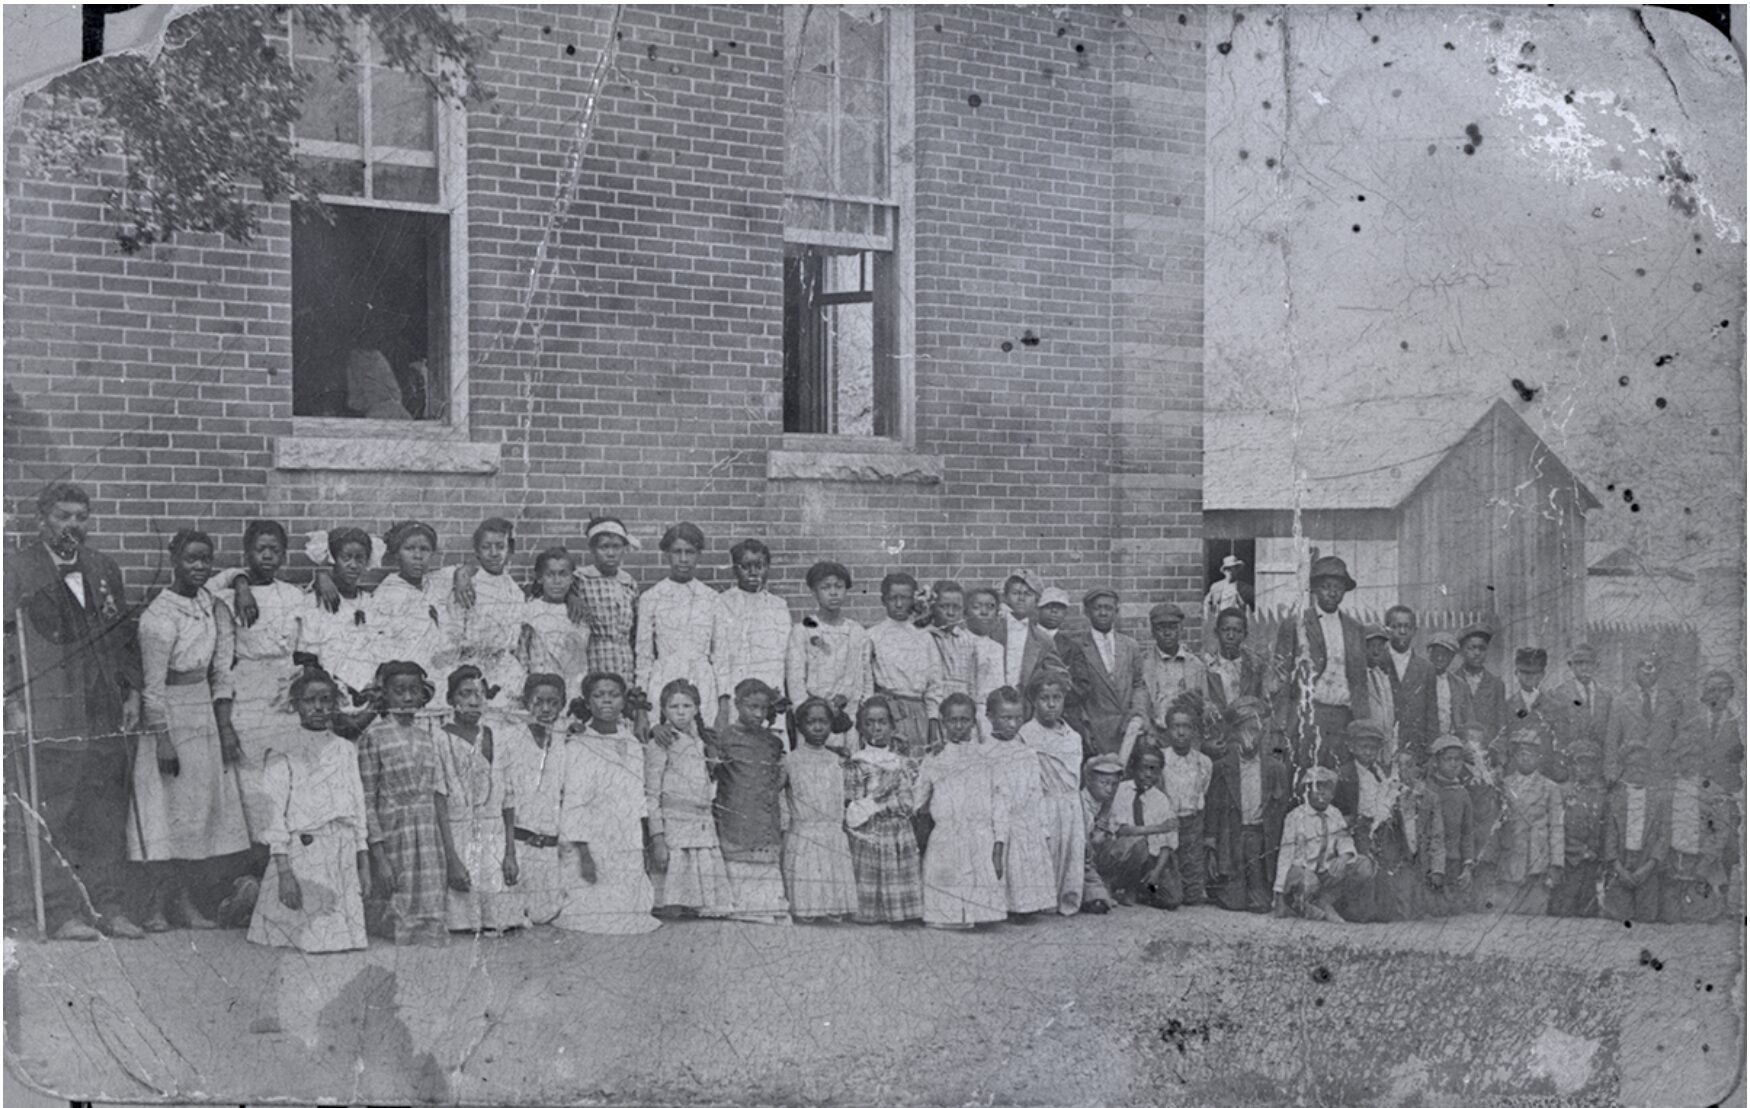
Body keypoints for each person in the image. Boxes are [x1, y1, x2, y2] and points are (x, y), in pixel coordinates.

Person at [4, 482, 146, 940]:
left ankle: (108, 906)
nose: (73, 526)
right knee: (57, 806)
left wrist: (131, 692)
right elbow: (5, 641)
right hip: (50, 705)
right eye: (63, 516)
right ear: (41, 519)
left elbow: (124, 636)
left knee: (104, 807)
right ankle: (63, 911)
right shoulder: (15, 569)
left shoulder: (104, 567)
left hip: (102, 704)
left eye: (80, 517)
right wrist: (12, 701)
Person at [128, 530, 253, 932]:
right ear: (174, 559)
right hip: (169, 717)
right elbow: (152, 687)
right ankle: (154, 906)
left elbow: (221, 673)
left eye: (206, 560)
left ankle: (185, 903)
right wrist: (162, 737)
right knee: (163, 812)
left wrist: (225, 727)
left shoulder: (214, 608)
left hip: (202, 716)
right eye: (191, 560)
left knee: (196, 813)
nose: (199, 568)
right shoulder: (158, 618)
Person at [246, 667, 370, 953]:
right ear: (295, 705)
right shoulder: (283, 749)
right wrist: (284, 871)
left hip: (340, 847)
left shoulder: (344, 748)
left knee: (342, 940)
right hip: (303, 849)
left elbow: (356, 803)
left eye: (326, 700)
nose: (318, 707)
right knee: (311, 937)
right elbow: (274, 810)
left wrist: (362, 858)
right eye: (310, 700)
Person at [207, 520, 308, 846]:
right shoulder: (226, 599)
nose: (267, 556)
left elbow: (304, 651)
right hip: (248, 696)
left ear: (284, 555)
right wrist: (240, 583)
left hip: (287, 694)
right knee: (252, 789)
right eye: (260, 549)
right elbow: (222, 663)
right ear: (247, 553)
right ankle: (255, 868)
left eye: (275, 550)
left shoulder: (293, 596)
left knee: (289, 784)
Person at [356, 660, 452, 945]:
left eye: (414, 691)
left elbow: (434, 792)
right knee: (397, 897)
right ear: (385, 694)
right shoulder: (374, 736)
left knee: (430, 901)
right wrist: (379, 854)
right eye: (399, 691)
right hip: (393, 830)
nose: (408, 698)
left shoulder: (426, 737)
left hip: (426, 830)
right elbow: (367, 798)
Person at [555, 672, 659, 934]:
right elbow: (575, 802)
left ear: (623, 701)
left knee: (631, 912)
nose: (606, 702)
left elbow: (637, 796)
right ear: (588, 703)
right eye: (599, 696)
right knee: (593, 912)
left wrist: (642, 840)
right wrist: (584, 854)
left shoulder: (631, 742)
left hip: (625, 835)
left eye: (613, 695)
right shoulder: (579, 743)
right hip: (593, 837)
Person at [914, 693, 1007, 929]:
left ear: (974, 722)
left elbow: (999, 803)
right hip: (946, 835)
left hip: (979, 834)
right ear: (943, 722)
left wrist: (999, 843)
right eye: (952, 720)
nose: (958, 726)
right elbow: (918, 800)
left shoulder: (987, 757)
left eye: (964, 720)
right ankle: (947, 916)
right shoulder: (935, 757)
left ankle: (981, 915)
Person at [435, 666, 517, 933]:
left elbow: (508, 800)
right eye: (465, 694)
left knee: (502, 924)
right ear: (451, 700)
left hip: (494, 838)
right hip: (460, 837)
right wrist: (452, 859)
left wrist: (510, 853)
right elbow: (439, 799)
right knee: (464, 926)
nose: (473, 701)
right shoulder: (440, 738)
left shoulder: (498, 737)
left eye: (479, 694)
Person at [645, 679, 734, 920]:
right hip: (674, 825)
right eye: (674, 707)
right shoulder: (660, 742)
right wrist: (658, 838)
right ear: (663, 710)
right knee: (672, 907)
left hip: (701, 822)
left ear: (696, 708)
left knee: (701, 908)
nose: (681, 712)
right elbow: (651, 794)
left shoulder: (703, 742)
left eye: (687, 706)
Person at [1272, 556, 1369, 769]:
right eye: (1326, 587)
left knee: (1339, 777)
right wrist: (1281, 726)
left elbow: (1360, 681)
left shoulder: (1355, 629)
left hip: (1343, 716)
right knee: (1304, 774)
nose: (1332, 593)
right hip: (1308, 715)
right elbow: (1282, 676)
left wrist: (1362, 723)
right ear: (1315, 589)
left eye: (1338, 587)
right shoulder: (1296, 624)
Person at [709, 678, 791, 925]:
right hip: (735, 810)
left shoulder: (773, 742)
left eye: (763, 709)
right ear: (737, 704)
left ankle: (766, 907)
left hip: (763, 812)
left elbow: (779, 776)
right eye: (751, 707)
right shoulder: (723, 737)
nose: (758, 714)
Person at [495, 673, 573, 928]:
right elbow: (504, 799)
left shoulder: (566, 741)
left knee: (547, 918)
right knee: (513, 921)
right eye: (538, 702)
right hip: (518, 848)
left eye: (553, 702)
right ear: (527, 703)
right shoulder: (510, 739)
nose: (546, 709)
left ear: (562, 704)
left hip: (551, 852)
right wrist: (508, 853)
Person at [1205, 697, 1290, 914]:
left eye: (1255, 730)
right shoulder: (1222, 768)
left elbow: (1280, 815)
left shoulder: (1275, 769)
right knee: (1233, 903)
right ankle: (1233, 885)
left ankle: (1258, 884)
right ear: (1234, 733)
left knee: (1260, 904)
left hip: (1259, 839)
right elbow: (1213, 809)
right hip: (1233, 838)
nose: (1250, 737)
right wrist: (1211, 846)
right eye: (1244, 730)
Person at [844, 696, 923, 925]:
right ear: (860, 728)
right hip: (871, 832)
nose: (876, 728)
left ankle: (902, 913)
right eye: (869, 723)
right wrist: (878, 799)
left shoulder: (903, 763)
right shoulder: (858, 764)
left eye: (882, 722)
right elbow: (852, 813)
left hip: (900, 832)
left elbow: (914, 800)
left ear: (892, 726)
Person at [982, 686, 1057, 916]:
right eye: (1005, 718)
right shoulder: (984, 753)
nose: (1013, 725)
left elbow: (1036, 791)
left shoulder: (1027, 752)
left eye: (1017, 718)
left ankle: (1024, 906)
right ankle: (1002, 906)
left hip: (1026, 819)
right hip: (997, 821)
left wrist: (1042, 827)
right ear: (990, 717)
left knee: (1026, 862)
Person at [440, 518, 530, 706]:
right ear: (477, 551)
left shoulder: (515, 592)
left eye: (500, 546)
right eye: (486, 547)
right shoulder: (468, 585)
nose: (494, 553)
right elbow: (452, 633)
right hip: (470, 666)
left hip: (502, 670)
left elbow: (513, 642)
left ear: (510, 549)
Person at [781, 698, 857, 921]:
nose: (817, 727)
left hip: (831, 830)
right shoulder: (790, 760)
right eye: (810, 722)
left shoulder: (838, 760)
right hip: (804, 830)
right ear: (800, 726)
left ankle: (831, 908)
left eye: (823, 721)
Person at [785, 561, 872, 753]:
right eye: (826, 587)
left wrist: (859, 711)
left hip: (848, 717)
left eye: (839, 587)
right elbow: (796, 681)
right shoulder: (803, 631)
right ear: (814, 591)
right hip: (814, 719)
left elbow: (865, 679)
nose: (833, 593)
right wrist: (811, 711)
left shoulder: (857, 632)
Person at [636, 522, 721, 716]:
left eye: (690, 552)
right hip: (663, 678)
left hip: (702, 681)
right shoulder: (651, 597)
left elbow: (720, 656)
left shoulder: (711, 598)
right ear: (667, 555)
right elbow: (643, 658)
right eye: (677, 552)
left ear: (698, 554)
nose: (683, 559)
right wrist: (641, 708)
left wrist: (722, 703)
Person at [710, 539, 793, 733]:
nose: (753, 572)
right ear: (735, 569)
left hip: (772, 696)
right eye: (746, 566)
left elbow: (783, 659)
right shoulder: (722, 604)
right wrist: (723, 704)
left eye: (759, 566)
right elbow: (720, 658)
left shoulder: (779, 606)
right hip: (735, 696)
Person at [1272, 766, 1373, 922]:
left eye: (1327, 788)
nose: (1321, 792)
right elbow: (1285, 855)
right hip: (1303, 873)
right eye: (1316, 787)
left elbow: (1345, 841)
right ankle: (1299, 903)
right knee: (1308, 882)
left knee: (1363, 865)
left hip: (1327, 873)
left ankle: (1325, 901)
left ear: (1333, 794)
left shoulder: (1334, 814)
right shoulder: (1295, 816)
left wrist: (1344, 857)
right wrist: (1278, 892)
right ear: (1306, 792)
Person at [1021, 670, 1085, 915]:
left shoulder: (1073, 737)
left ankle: (1068, 898)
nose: (1051, 704)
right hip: (1044, 801)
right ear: (1034, 701)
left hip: (1070, 803)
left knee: (1072, 851)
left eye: (1056, 698)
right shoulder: (1027, 735)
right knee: (1047, 850)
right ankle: (1043, 900)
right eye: (1044, 698)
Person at [364, 521, 460, 684]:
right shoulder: (386, 594)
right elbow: (378, 647)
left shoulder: (435, 582)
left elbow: (470, 569)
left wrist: (462, 575)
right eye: (409, 549)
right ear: (397, 554)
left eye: (424, 549)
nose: (418, 556)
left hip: (444, 674)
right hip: (410, 680)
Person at [1332, 719, 1408, 921]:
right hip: (1359, 827)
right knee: (1366, 866)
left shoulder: (1379, 771)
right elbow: (1341, 805)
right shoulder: (1346, 773)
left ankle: (1383, 910)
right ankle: (1360, 912)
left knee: (1383, 867)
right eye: (1364, 747)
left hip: (1380, 826)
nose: (1368, 753)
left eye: (1373, 748)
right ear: (1352, 746)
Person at [1058, 588, 1148, 760]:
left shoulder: (1130, 646)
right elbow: (1074, 691)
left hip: (1127, 730)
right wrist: (1084, 727)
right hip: (1094, 731)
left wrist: (1136, 715)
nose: (1103, 613)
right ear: (1087, 612)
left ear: (1116, 611)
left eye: (1108, 608)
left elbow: (1139, 684)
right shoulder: (1076, 646)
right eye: (1098, 608)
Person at [298, 527, 380, 707]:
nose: (353, 565)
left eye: (359, 559)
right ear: (334, 559)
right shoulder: (315, 602)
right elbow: (308, 656)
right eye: (346, 558)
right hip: (330, 696)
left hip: (368, 694)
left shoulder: (371, 602)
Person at [867, 572, 945, 761]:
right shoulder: (872, 635)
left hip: (917, 713)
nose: (899, 604)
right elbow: (866, 680)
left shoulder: (923, 637)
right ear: (883, 600)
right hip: (887, 711)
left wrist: (933, 720)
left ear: (913, 600)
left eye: (905, 598)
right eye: (893, 598)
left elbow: (934, 682)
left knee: (916, 764)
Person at [1661, 735, 1735, 923]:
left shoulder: (1713, 791)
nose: (1690, 763)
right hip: (1674, 860)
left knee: (1702, 915)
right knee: (1670, 916)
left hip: (1703, 862)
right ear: (1677, 761)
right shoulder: (1667, 789)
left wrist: (1707, 860)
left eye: (1694, 758)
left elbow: (1720, 831)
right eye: (1685, 758)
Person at [1494, 731, 1564, 916]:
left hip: (1538, 860)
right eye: (1521, 754)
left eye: (1531, 754)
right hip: (1511, 858)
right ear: (1515, 757)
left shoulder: (1550, 787)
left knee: (1535, 917)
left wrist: (1556, 863)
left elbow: (1557, 827)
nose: (1526, 759)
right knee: (1506, 917)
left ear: (1539, 758)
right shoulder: (1504, 785)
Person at [1601, 745, 1668, 923]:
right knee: (1616, 917)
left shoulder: (1658, 799)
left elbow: (1663, 836)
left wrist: (1648, 867)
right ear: (1625, 768)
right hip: (1621, 863)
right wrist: (1618, 868)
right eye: (1632, 765)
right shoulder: (1615, 798)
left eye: (1642, 766)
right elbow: (1610, 835)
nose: (1638, 770)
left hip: (1646, 864)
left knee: (1646, 917)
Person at [1109, 746, 1182, 909]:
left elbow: (1168, 843)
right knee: (1139, 844)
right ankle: (1125, 887)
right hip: (1125, 857)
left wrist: (1156, 871)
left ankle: (1145, 888)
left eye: (1154, 770)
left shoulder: (1161, 799)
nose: (1148, 774)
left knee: (1172, 899)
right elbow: (1122, 830)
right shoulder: (1121, 791)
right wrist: (1158, 828)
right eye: (1143, 768)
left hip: (1150, 861)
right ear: (1134, 767)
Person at [1155, 702, 1212, 906]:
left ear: (1194, 730)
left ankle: (1190, 886)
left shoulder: (1203, 762)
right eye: (1175, 727)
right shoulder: (1161, 758)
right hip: (1166, 826)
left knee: (1193, 896)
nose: (1180, 732)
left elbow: (1203, 790)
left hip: (1192, 826)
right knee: (1171, 896)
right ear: (1168, 730)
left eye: (1186, 727)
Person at [927, 581, 1002, 735]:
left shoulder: (967, 641)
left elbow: (973, 684)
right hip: (937, 709)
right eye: (944, 607)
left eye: (956, 608)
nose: (950, 613)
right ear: (934, 607)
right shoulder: (926, 638)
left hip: (964, 711)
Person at [518, 548, 592, 700]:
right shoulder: (528, 612)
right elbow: (522, 658)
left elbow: (582, 659)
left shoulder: (578, 612)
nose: (557, 581)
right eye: (550, 575)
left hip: (574, 691)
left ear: (572, 578)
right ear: (540, 578)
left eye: (563, 574)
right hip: (541, 691)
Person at [572, 517, 640, 681]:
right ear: (593, 549)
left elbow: (635, 629)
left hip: (624, 659)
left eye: (616, 547)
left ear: (624, 548)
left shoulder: (628, 583)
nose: (610, 553)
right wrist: (571, 596)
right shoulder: (581, 579)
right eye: (604, 547)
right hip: (593, 657)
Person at [1139, 602, 1210, 756]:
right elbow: (1140, 707)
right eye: (1161, 628)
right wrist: (1149, 731)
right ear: (1152, 631)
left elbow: (1206, 704)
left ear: (1181, 629)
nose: (1167, 633)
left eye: (1172, 627)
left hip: (1188, 738)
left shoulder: (1196, 665)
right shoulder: (1143, 665)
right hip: (1157, 737)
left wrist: (1198, 706)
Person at [1548, 740, 1609, 918]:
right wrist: (1575, 850)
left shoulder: (1602, 795)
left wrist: (1594, 852)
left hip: (1591, 863)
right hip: (1568, 861)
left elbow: (1603, 829)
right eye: (1580, 764)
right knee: (1564, 911)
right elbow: (1557, 827)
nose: (1584, 769)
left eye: (1589, 764)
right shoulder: (1562, 791)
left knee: (1588, 911)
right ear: (1573, 766)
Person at [1604, 650, 1682, 783]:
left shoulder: (1672, 702)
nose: (1648, 672)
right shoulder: (1620, 703)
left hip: (1662, 775)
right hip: (1631, 774)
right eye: (1643, 667)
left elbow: (1679, 739)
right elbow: (1612, 742)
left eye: (1653, 667)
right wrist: (1612, 773)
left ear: (1659, 671)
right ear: (1635, 670)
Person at [1420, 735, 1477, 917]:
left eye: (1457, 759)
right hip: (1428, 863)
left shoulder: (1462, 794)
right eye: (1448, 759)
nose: (1453, 764)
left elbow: (1467, 832)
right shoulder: (1427, 790)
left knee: (1455, 910)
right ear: (1437, 762)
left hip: (1454, 863)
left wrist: (1467, 866)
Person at [986, 573, 1064, 692]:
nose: (1021, 598)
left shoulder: (1043, 639)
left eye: (1028, 594)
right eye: (1016, 593)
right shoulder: (991, 630)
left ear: (1037, 601)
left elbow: (1061, 676)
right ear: (1006, 597)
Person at [1547, 644, 1614, 770]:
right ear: (1570, 665)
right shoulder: (1558, 694)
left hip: (1599, 762)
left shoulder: (1607, 695)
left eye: (1589, 663)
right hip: (1570, 762)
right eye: (1579, 663)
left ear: (1597, 665)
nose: (1584, 668)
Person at [1504, 647, 1566, 780]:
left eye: (1534, 673)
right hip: (1516, 775)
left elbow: (1561, 742)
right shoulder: (1507, 706)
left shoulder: (1555, 707)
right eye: (1525, 672)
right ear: (1516, 673)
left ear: (1543, 674)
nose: (1529, 677)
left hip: (1546, 772)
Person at [1078, 754, 1128, 913]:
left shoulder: (1108, 803)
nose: (1110, 789)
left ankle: (1106, 885)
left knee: (1130, 845)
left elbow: (1116, 830)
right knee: (1097, 904)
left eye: (1114, 784)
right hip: (1079, 862)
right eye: (1104, 783)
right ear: (1089, 781)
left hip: (1096, 859)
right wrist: (1092, 839)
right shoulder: (1077, 802)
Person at [1382, 605, 1432, 762]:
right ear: (1387, 629)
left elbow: (1431, 715)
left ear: (1414, 630)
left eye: (1407, 627)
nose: (1402, 632)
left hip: (1415, 747)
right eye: (1396, 626)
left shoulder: (1425, 668)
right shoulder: (1377, 662)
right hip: (1383, 745)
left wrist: (1430, 750)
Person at [1203, 607, 1268, 717]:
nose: (1231, 636)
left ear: (1245, 635)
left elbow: (1265, 704)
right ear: (1216, 632)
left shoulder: (1256, 667)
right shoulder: (1206, 667)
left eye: (1237, 631)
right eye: (1225, 630)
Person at [1450, 624, 1506, 750]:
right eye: (1471, 648)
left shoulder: (1496, 684)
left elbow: (1501, 723)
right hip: (1459, 752)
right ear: (1462, 651)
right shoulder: (1451, 681)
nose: (1477, 653)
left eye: (1482, 648)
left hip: (1488, 751)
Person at [1360, 625, 1399, 763]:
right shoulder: (1357, 677)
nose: (1376, 651)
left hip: (1385, 747)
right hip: (1365, 748)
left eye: (1380, 646)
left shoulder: (1382, 676)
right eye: (1371, 646)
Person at [1423, 631, 1462, 743]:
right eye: (1436, 654)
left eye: (1445, 655)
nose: (1440, 658)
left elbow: (1467, 719)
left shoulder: (1459, 685)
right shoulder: (1418, 680)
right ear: (1429, 654)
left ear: (1452, 657)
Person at [1203, 554, 1245, 626]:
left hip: (1236, 620)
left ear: (1237, 570)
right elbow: (1206, 603)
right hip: (1220, 619)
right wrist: (1209, 618)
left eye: (1233, 569)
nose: (1230, 572)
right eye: (1228, 569)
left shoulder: (1243, 587)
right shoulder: (1216, 587)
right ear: (1224, 571)